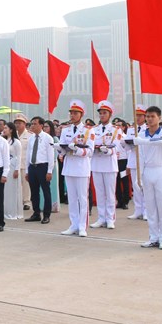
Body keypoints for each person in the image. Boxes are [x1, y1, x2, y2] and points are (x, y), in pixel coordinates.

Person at [135, 106, 162, 250]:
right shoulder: (142, 133)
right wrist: (139, 177)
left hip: (161, 170)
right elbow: (141, 156)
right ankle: (153, 236)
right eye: (148, 116)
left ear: (159, 118)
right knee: (150, 206)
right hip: (147, 171)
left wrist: (141, 141)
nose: (150, 119)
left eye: (152, 116)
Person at [59, 100, 95, 237]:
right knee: (72, 198)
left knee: (82, 198)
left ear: (81, 115)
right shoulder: (65, 130)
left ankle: (82, 226)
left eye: (75, 113)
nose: (72, 115)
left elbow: (90, 151)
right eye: (71, 113)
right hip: (69, 167)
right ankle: (73, 224)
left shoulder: (88, 131)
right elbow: (62, 149)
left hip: (81, 167)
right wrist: (60, 150)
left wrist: (76, 150)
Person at [91, 101, 121, 230]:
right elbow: (90, 144)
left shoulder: (115, 130)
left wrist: (108, 150)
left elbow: (118, 146)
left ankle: (110, 218)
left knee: (110, 193)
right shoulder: (93, 129)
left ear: (110, 115)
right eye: (101, 113)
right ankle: (101, 217)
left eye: (105, 113)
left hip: (109, 164)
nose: (102, 115)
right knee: (100, 192)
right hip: (97, 163)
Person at [25, 117, 55, 224]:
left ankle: (46, 215)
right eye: (31, 124)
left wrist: (49, 171)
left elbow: (51, 156)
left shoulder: (48, 138)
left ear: (41, 125)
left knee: (46, 191)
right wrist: (27, 171)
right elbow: (28, 155)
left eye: (35, 124)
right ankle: (36, 213)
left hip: (43, 167)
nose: (32, 126)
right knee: (34, 192)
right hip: (33, 167)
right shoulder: (31, 138)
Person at [125, 105, 147, 220]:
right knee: (136, 185)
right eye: (136, 116)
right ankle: (138, 209)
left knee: (144, 185)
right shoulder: (130, 129)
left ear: (145, 117)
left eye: (140, 116)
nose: (137, 118)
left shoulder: (147, 129)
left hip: (144, 160)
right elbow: (127, 147)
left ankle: (147, 210)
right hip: (133, 159)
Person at [2, 122, 23, 221]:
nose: (4, 129)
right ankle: (6, 210)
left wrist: (17, 170)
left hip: (13, 167)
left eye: (6, 128)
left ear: (11, 130)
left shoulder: (16, 142)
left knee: (13, 190)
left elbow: (18, 157)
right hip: (6, 167)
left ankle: (14, 212)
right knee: (6, 190)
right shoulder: (5, 141)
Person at [14, 114, 32, 213]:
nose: (17, 125)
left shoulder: (30, 135)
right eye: (16, 123)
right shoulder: (13, 134)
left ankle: (26, 202)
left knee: (26, 184)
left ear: (24, 124)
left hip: (25, 163)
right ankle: (18, 200)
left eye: (19, 123)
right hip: (15, 164)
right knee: (17, 184)